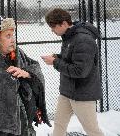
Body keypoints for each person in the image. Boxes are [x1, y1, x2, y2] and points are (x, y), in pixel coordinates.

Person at [41, 8, 104, 136]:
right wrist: (58, 57)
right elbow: (72, 59)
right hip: (67, 92)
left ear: (64, 23)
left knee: (92, 130)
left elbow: (80, 71)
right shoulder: (69, 36)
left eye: (53, 27)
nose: (52, 30)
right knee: (59, 124)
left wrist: (55, 62)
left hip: (83, 94)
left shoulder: (84, 40)